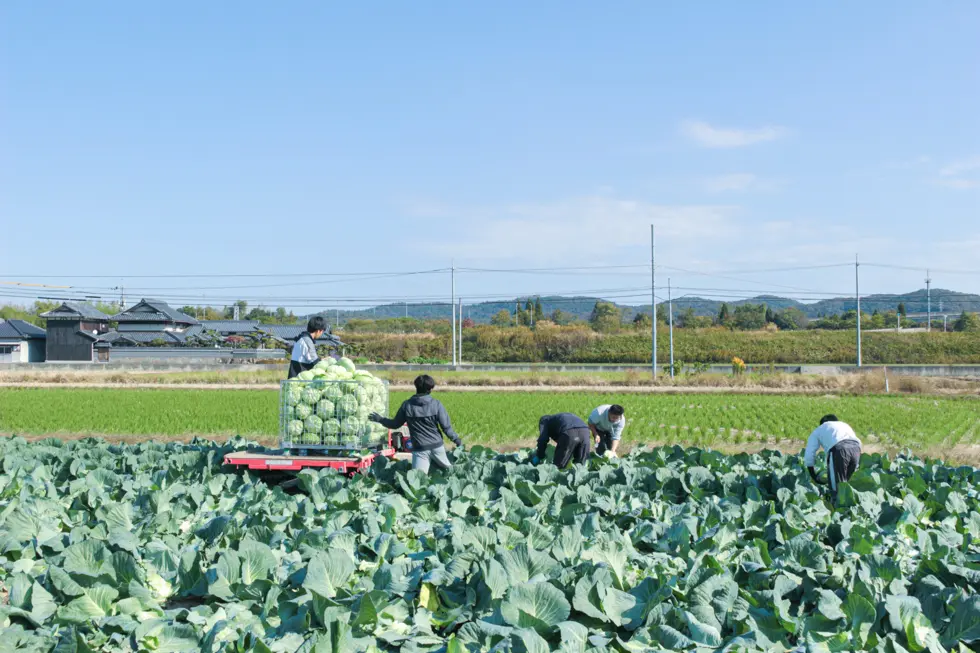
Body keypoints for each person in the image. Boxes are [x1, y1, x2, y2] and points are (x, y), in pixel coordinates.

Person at [368, 374, 463, 474]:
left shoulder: (407, 405)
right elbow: (446, 427)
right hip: (437, 447)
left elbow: (395, 424)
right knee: (451, 474)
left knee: (418, 482)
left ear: (416, 387)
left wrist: (380, 419)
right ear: (430, 389)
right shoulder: (436, 404)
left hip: (420, 450)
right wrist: (456, 440)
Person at [804, 414, 863, 494]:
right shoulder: (844, 425)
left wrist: (814, 476)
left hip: (839, 449)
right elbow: (857, 442)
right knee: (844, 486)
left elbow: (809, 454)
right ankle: (844, 504)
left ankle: (835, 503)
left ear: (823, 423)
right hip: (856, 449)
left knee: (835, 488)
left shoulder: (819, 429)